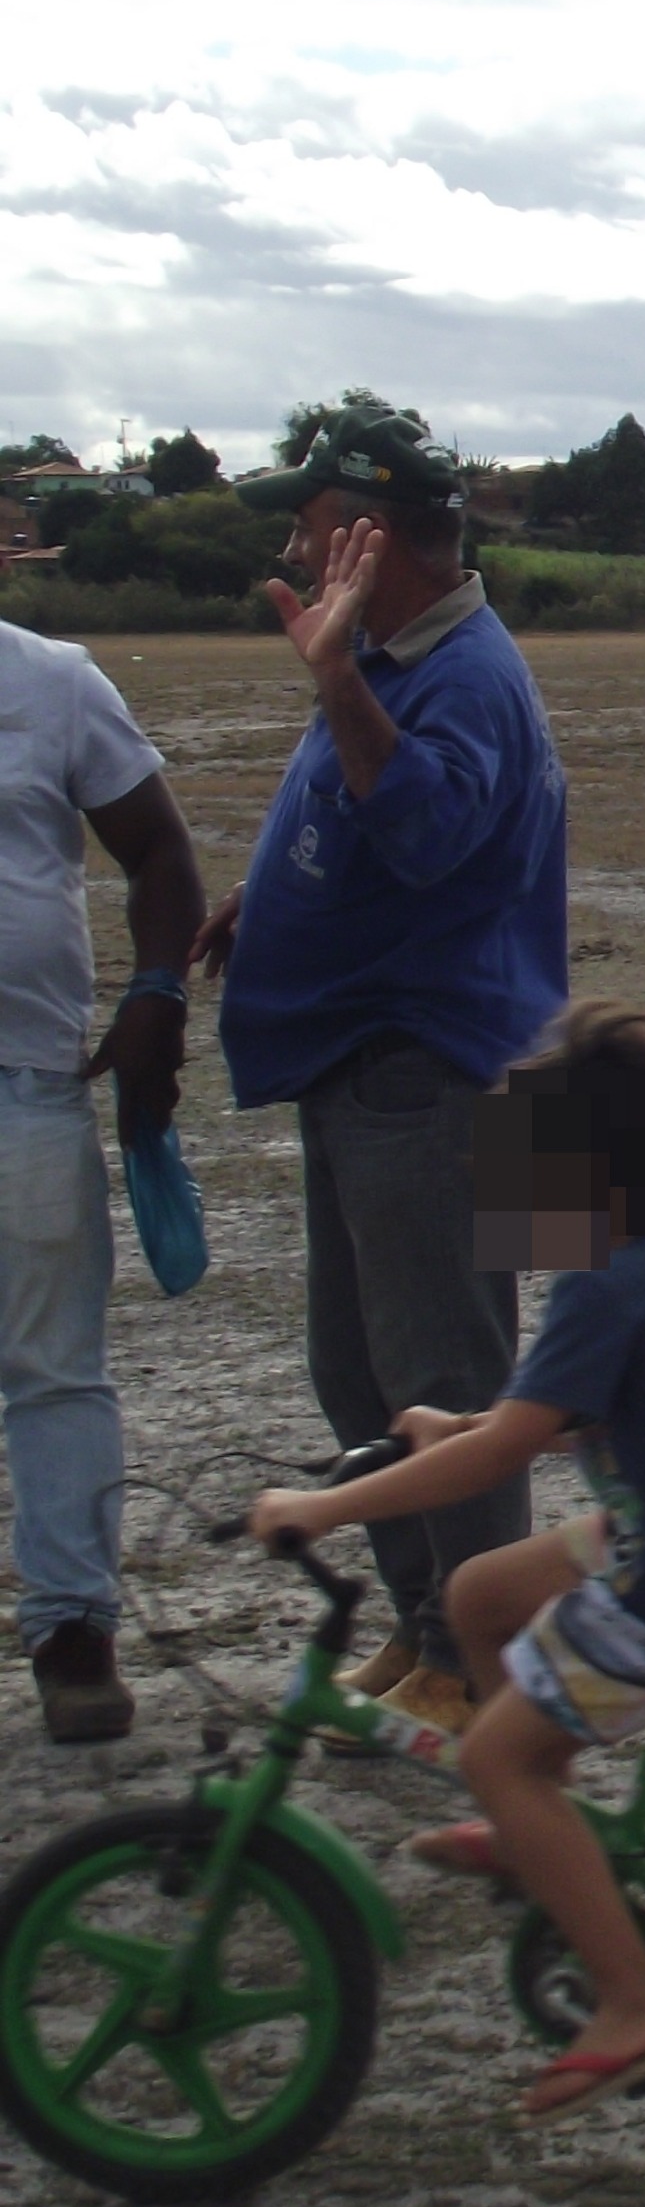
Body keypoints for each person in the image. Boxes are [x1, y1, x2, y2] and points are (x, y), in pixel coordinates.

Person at [247, 1001, 645, 2123]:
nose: (490, 1181)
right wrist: (465, 1422)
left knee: (495, 1759)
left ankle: (636, 1998)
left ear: (591, 1174)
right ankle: (541, 1832)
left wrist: (323, 1508)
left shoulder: (606, 1278)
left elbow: (505, 1454)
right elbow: (559, 1414)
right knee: (480, 1592)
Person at [201, 406, 567, 1743]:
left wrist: (336, 683)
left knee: (446, 1387)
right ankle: (429, 1630)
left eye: (312, 522)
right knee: (361, 1377)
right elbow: (370, 822)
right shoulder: (392, 653)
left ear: (368, 534)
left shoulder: (458, 671)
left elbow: (424, 832)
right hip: (365, 1065)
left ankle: (483, 1668)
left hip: (430, 1076)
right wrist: (271, 899)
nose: (296, 546)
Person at [1, 622, 204, 1742]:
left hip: (25, 1083)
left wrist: (157, 993)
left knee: (54, 1368)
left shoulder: (53, 682)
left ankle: (74, 1630)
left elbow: (160, 851)